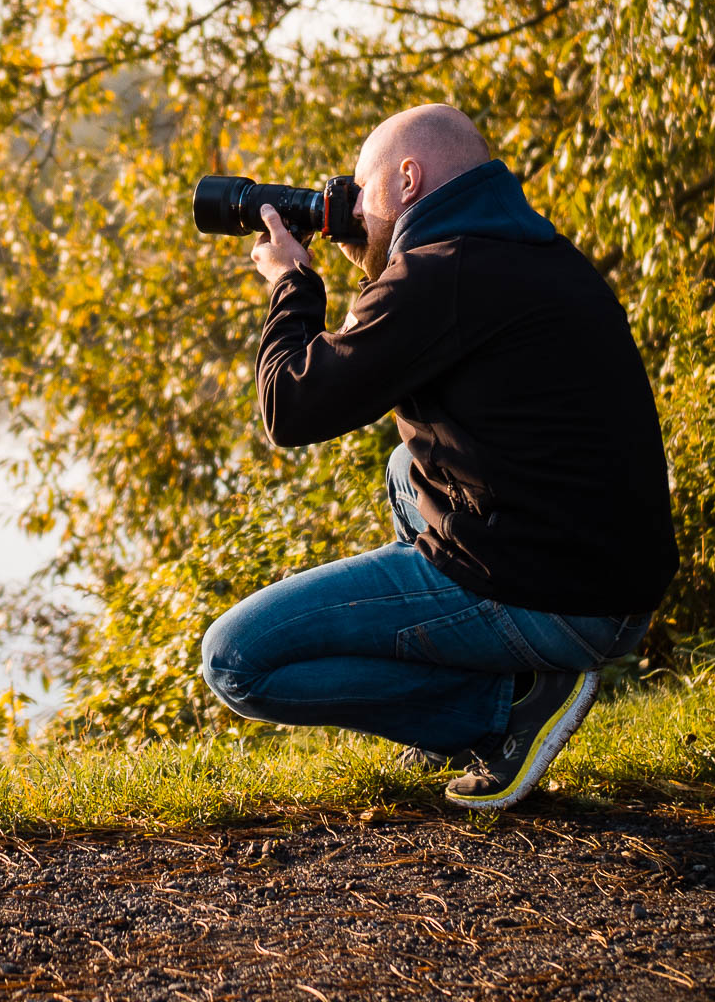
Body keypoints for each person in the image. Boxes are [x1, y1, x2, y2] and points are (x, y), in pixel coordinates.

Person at [198, 103, 678, 810]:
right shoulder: (526, 246)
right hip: (615, 585)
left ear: (409, 178)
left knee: (235, 659)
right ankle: (512, 679)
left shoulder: (437, 275)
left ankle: (492, 718)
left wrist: (292, 284)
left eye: (361, 191)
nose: (352, 208)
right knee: (405, 473)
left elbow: (290, 409)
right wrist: (375, 262)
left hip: (565, 603)